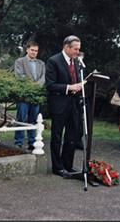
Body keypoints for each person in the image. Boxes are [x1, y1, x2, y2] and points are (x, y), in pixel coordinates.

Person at [45, 35, 83, 178]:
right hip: (59, 105)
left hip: (74, 104)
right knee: (57, 136)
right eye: (75, 49)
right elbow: (50, 85)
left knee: (72, 136)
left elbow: (77, 80)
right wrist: (69, 87)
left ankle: (67, 164)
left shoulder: (77, 63)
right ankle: (57, 167)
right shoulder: (53, 61)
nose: (77, 52)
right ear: (66, 47)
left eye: (79, 49)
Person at [13, 41, 45, 150]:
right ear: (27, 50)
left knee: (33, 119)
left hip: (36, 95)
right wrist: (32, 86)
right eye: (32, 50)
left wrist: (37, 87)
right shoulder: (20, 61)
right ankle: (18, 142)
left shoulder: (41, 63)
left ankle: (32, 142)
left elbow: (43, 78)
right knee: (21, 118)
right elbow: (20, 76)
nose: (34, 52)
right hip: (24, 95)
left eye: (36, 51)